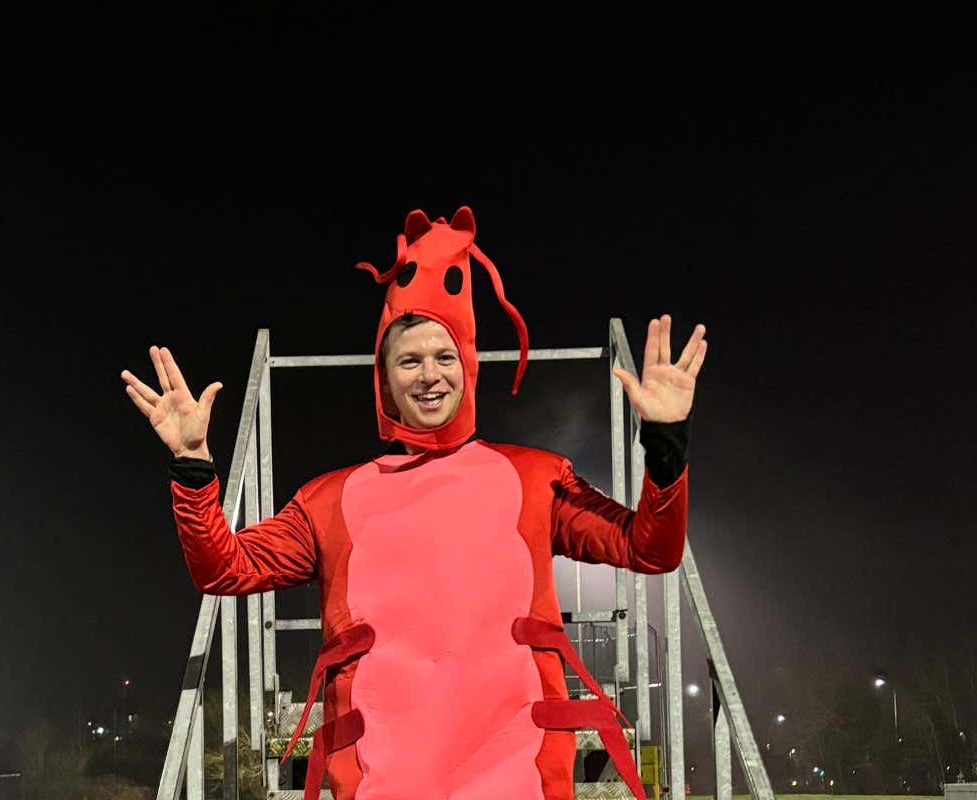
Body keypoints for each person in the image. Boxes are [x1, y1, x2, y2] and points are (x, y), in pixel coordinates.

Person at [121, 207, 707, 800]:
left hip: (515, 781)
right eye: (409, 360)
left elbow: (651, 549)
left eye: (444, 356)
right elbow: (223, 568)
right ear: (385, 377)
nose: (430, 375)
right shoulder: (330, 498)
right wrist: (193, 464)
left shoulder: (534, 477)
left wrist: (666, 442)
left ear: (468, 366)